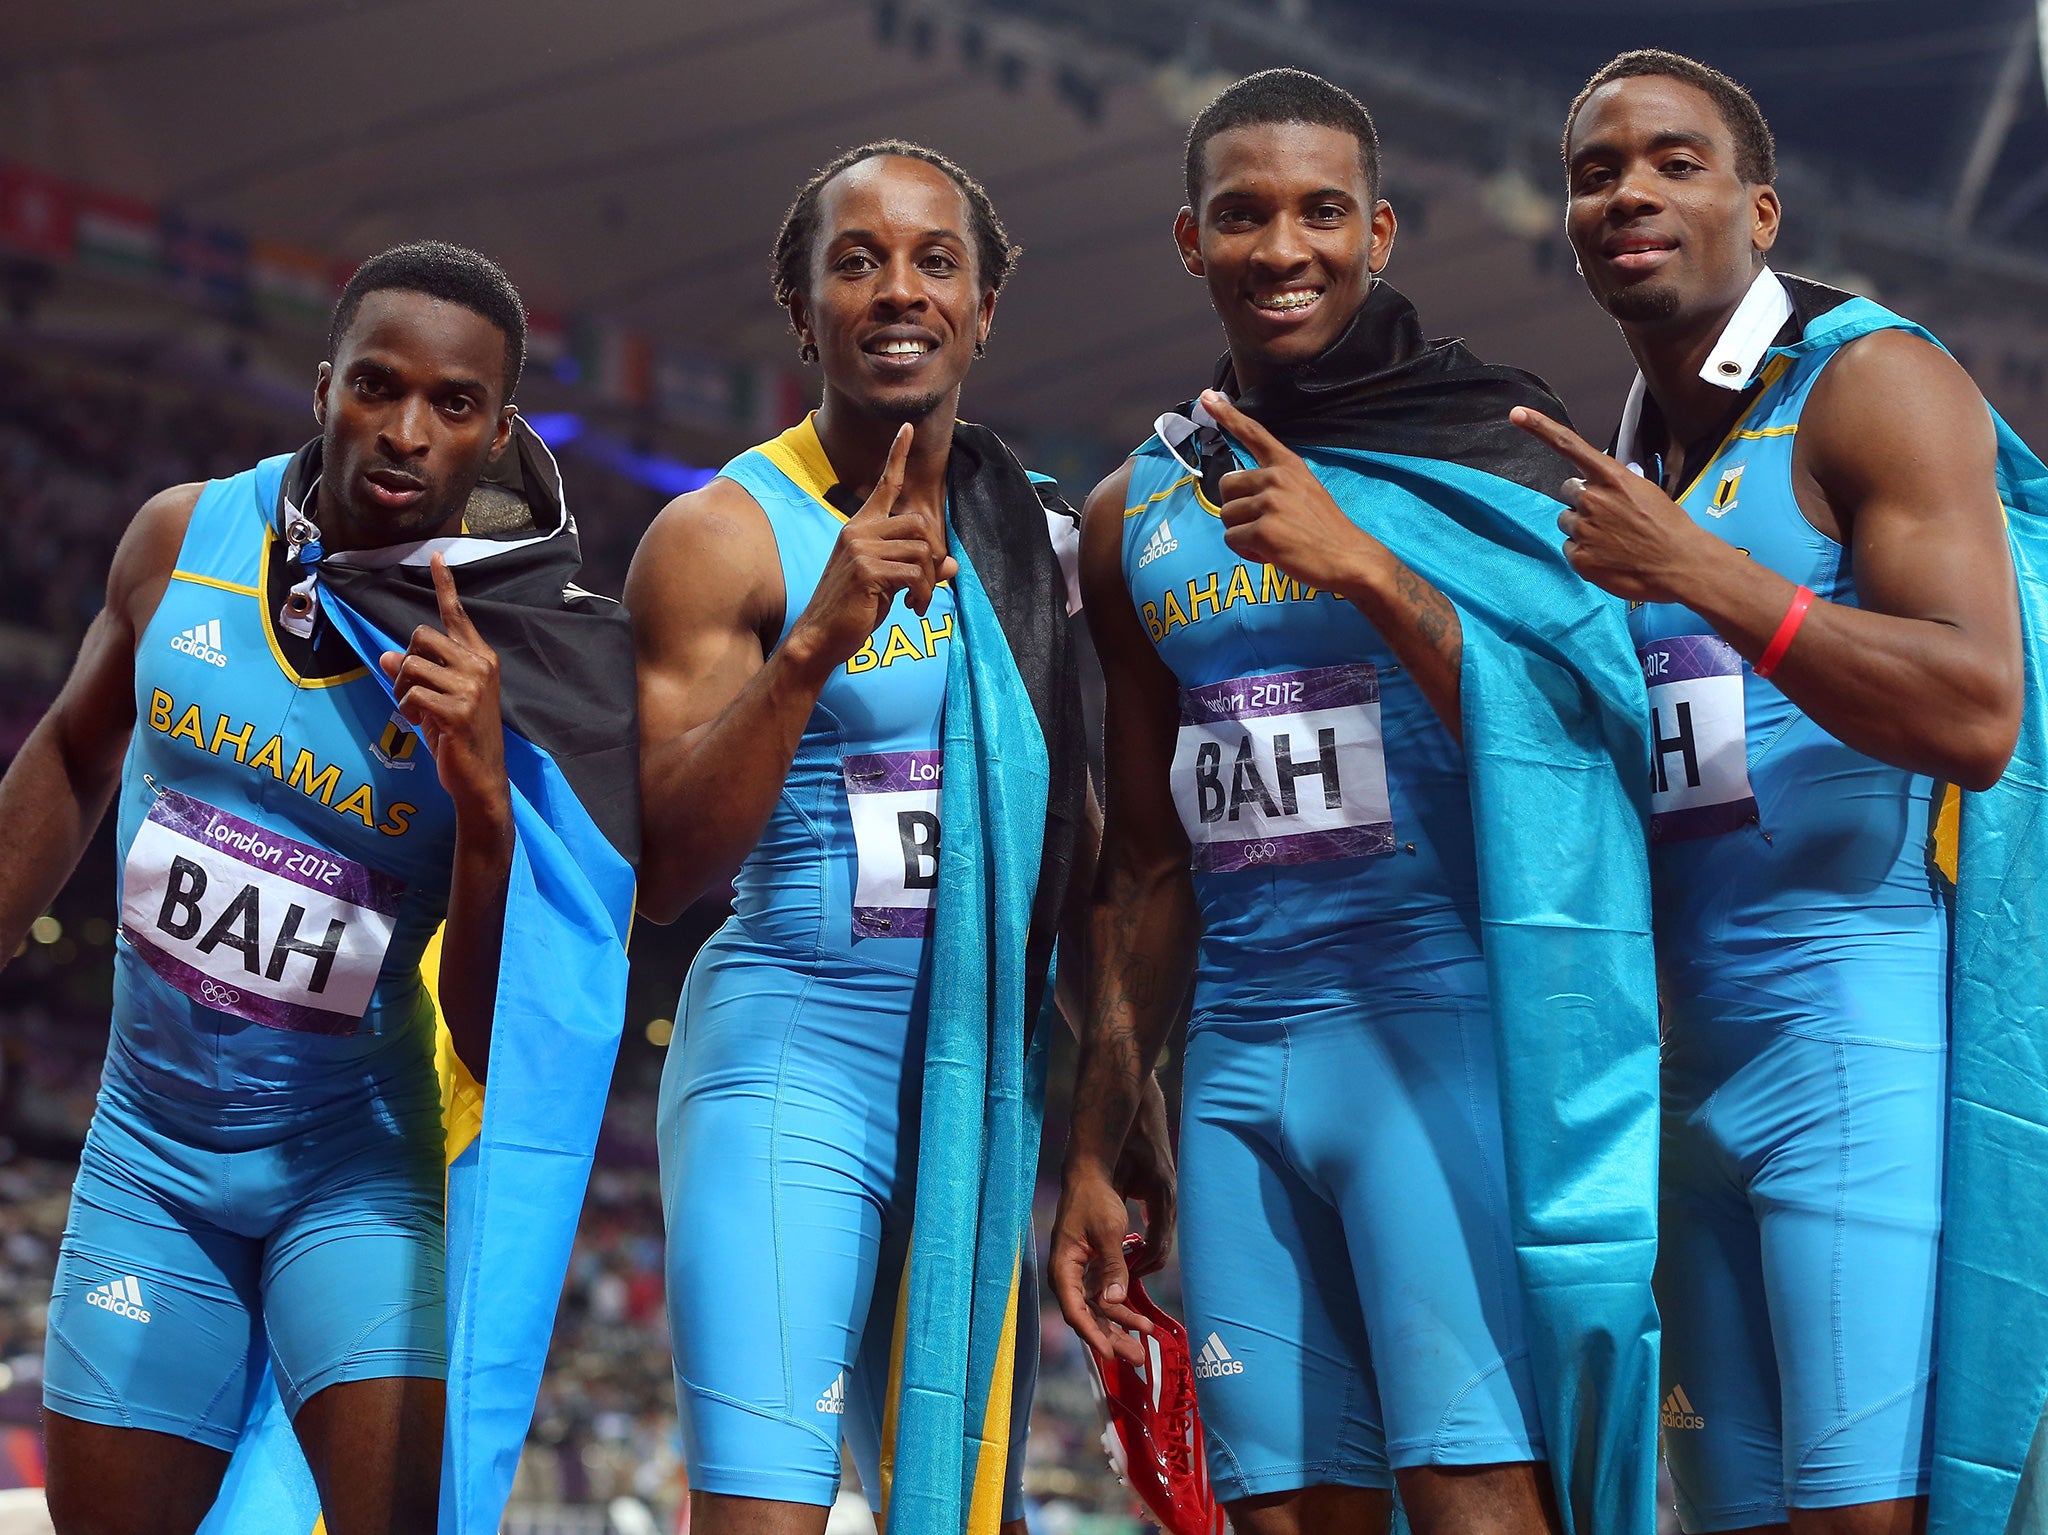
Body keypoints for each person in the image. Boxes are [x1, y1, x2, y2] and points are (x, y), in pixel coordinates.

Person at [1049, 69, 1662, 1535]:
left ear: (1380, 230)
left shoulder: (1493, 454)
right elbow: (1146, 862)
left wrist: (1369, 570)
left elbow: (1591, 756)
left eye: (1324, 212)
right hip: (1242, 1074)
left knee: (1476, 1502)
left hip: (1438, 1041)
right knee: (1278, 1514)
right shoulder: (1139, 509)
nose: (1285, 248)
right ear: (1191, 241)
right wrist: (1097, 1135)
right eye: (1243, 216)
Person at [0, 240, 636, 1535]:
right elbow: (74, 748)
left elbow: (482, 1027)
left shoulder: (504, 657)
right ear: (322, 387)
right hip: (148, 1165)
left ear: (497, 433)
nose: (406, 432)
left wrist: (482, 814)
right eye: (376, 388)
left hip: (351, 1174)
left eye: (452, 405)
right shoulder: (184, 539)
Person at [1520, 49, 2047, 1535]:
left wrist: (1704, 575)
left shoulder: (1873, 382)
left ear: (1760, 208)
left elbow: (1977, 707)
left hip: (1847, 1049)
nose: (1628, 192)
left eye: (1673, 163)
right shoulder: (1631, 449)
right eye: (1596, 171)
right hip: (1674, 1080)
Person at [625, 141, 1172, 1535]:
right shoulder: (724, 536)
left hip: (974, 1102)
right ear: (803, 310)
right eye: (856, 261)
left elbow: (1081, 858)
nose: (898, 290)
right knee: (765, 1514)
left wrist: (1109, 1134)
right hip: (786, 1069)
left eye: (936, 261)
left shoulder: (1029, 554)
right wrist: (814, 644)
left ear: (986, 308)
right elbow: (668, 864)